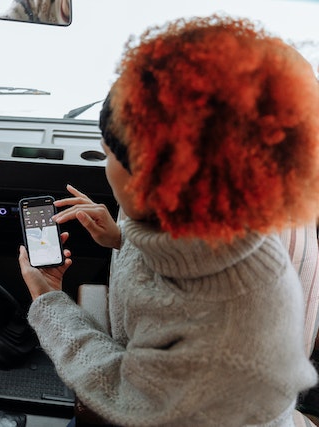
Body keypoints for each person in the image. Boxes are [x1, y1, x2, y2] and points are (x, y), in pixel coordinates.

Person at [18, 15, 319, 426]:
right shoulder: (215, 215)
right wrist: (121, 238)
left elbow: (122, 389)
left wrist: (47, 300)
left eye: (107, 154)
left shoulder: (225, 333)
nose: (104, 165)